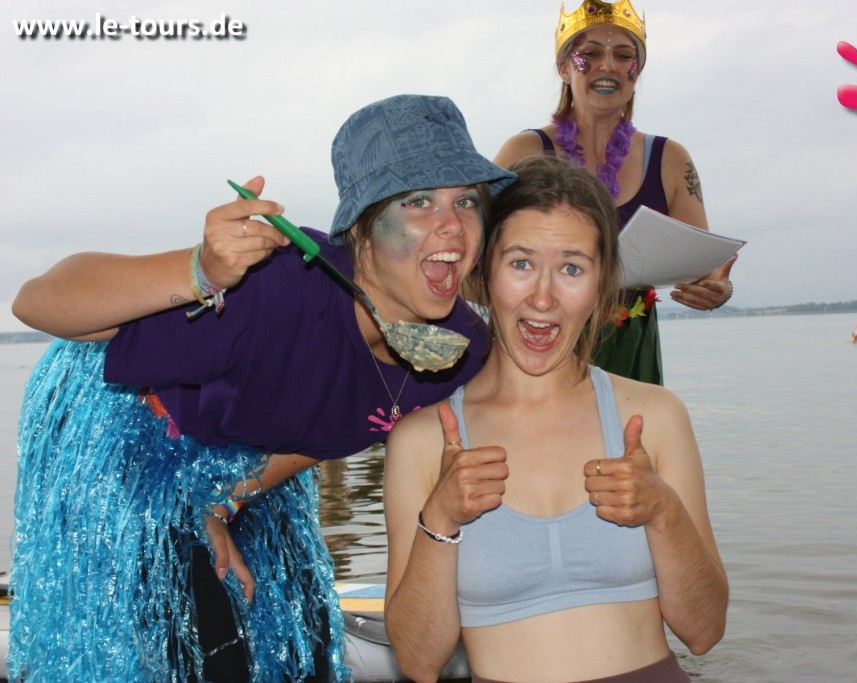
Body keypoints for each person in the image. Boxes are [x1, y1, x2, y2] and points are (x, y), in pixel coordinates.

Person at [8, 94, 515, 682]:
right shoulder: (273, 287)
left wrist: (223, 500)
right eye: (419, 200)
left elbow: (329, 431)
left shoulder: (461, 349)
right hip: (127, 436)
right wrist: (200, 270)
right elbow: (36, 301)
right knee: (190, 643)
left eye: (466, 201)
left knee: (302, 646)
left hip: (243, 457)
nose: (452, 225)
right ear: (360, 226)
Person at [383, 156, 728, 683]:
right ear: (484, 270)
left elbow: (704, 631)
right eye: (520, 263)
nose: (542, 297)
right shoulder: (422, 441)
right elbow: (418, 661)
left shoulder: (654, 416)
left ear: (601, 282)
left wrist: (665, 512)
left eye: (572, 268)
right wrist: (441, 519)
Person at [493, 0, 735, 385]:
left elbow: (702, 270)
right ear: (564, 68)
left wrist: (718, 290)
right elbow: (477, 256)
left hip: (631, 352)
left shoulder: (671, 160)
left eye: (623, 56)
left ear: (636, 71)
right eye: (590, 54)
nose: (608, 66)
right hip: (537, 339)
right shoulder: (524, 152)